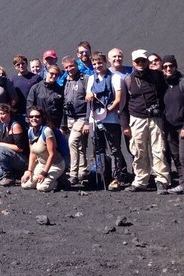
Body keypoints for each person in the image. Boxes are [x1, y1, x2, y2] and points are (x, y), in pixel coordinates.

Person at [120, 49, 171, 194]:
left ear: (147, 61)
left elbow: (165, 94)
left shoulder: (157, 76)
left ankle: (161, 181)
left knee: (158, 149)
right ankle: (141, 181)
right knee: (138, 151)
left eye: (143, 60)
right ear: (133, 63)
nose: (141, 63)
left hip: (155, 118)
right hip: (137, 118)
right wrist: (125, 125)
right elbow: (123, 104)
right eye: (137, 61)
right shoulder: (128, 80)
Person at [86, 52, 130, 190]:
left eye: (100, 63)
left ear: (105, 62)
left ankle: (117, 177)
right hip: (95, 119)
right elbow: (87, 95)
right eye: (94, 64)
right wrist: (90, 96)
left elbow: (118, 99)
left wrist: (107, 112)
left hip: (111, 119)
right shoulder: (91, 79)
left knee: (114, 149)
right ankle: (103, 175)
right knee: (98, 149)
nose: (97, 66)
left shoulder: (115, 78)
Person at [161, 55, 184, 200]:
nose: (168, 69)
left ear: (176, 66)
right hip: (169, 127)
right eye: (165, 67)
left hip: (183, 126)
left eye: (171, 66)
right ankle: (183, 182)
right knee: (176, 157)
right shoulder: (163, 84)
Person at [21, 107, 66, 192]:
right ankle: (48, 178)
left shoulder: (47, 131)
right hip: (41, 163)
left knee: (42, 187)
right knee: (25, 184)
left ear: (42, 118)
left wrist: (44, 173)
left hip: (55, 164)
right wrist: (29, 170)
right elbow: (32, 153)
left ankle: (59, 182)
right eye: (31, 117)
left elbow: (52, 154)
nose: (34, 118)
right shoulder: (30, 131)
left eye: (37, 116)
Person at [62, 56, 89, 185]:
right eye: (66, 67)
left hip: (82, 116)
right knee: (80, 145)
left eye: (71, 66)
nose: (69, 69)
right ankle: (82, 172)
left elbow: (90, 101)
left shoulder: (84, 79)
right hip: (70, 117)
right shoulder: (67, 81)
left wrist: (88, 121)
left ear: (76, 65)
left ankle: (73, 173)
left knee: (72, 142)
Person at [0, 104, 28, 187]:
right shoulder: (5, 126)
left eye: (2, 113)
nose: (0, 117)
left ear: (9, 113)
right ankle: (16, 176)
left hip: (23, 159)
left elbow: (20, 148)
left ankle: (9, 176)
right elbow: (7, 145)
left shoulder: (15, 126)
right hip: (12, 158)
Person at [27, 64, 64, 128]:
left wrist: (63, 126)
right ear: (47, 72)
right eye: (52, 73)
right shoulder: (36, 88)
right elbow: (30, 106)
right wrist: (31, 122)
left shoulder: (60, 90)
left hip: (55, 124)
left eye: (56, 74)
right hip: (39, 124)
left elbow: (63, 109)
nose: (54, 76)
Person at [10, 54, 42, 125]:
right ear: (15, 67)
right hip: (18, 114)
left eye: (23, 63)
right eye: (18, 65)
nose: (21, 66)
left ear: (26, 64)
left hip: (33, 114)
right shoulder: (12, 80)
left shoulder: (36, 78)